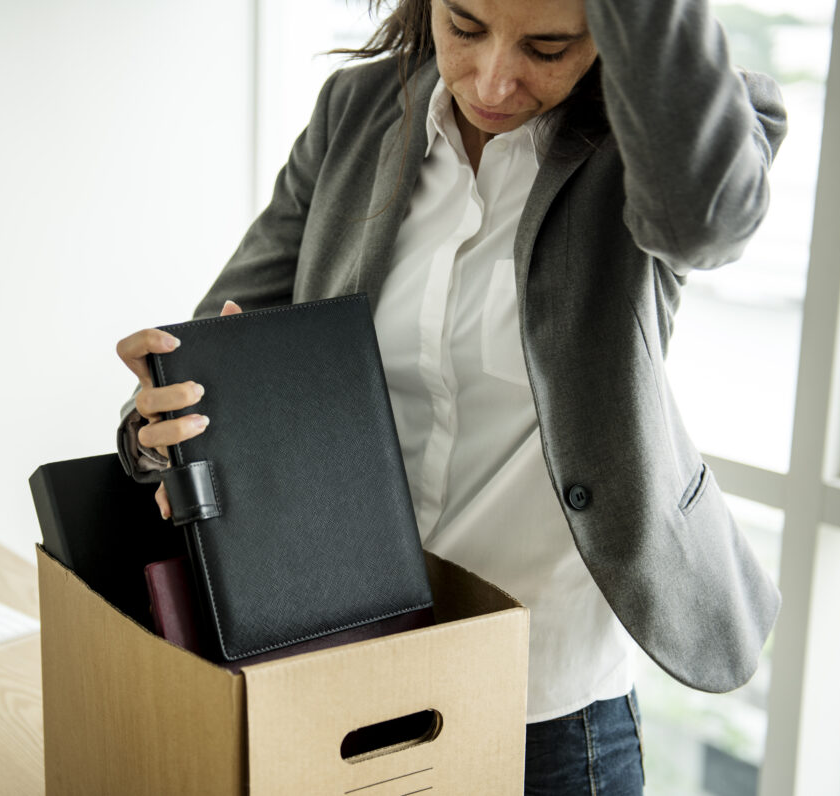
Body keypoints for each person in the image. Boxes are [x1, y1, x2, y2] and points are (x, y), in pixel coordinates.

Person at [116, 0, 786, 792]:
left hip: (549, 705)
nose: (494, 79)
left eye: (548, 46)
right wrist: (155, 432)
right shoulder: (359, 110)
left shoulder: (651, 148)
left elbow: (706, 221)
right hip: (343, 666)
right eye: (465, 26)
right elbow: (211, 346)